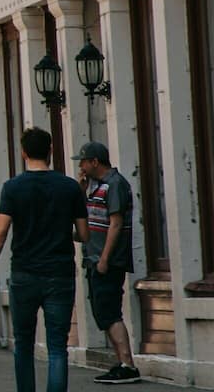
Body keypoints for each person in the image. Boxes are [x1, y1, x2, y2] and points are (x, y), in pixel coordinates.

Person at [0, 128, 88, 392]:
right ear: (50, 151)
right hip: (60, 274)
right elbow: (83, 234)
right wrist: (59, 230)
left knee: (23, 344)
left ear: (23, 152)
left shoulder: (13, 188)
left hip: (24, 274)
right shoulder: (69, 187)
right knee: (58, 347)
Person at [76, 142, 141, 384]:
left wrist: (104, 258)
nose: (80, 167)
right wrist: (81, 190)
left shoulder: (115, 184)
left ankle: (128, 364)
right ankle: (121, 361)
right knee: (102, 311)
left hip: (107, 262)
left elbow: (115, 223)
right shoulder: (97, 186)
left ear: (95, 162)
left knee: (110, 311)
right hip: (93, 259)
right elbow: (88, 220)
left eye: (83, 162)